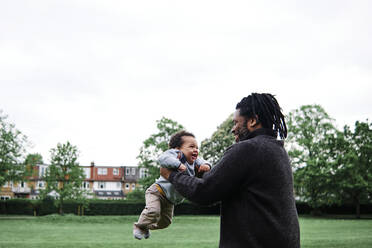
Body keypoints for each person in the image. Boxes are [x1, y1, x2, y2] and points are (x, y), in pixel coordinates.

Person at [160, 93, 300, 248]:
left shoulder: (247, 149)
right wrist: (206, 173)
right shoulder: (277, 150)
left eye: (236, 123)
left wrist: (172, 175)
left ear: (253, 120)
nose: (233, 129)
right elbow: (226, 184)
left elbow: (204, 191)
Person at [133, 130, 211, 240]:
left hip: (170, 201)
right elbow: (163, 159)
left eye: (197, 148)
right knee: (153, 211)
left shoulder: (194, 161)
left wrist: (206, 165)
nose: (195, 150)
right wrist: (178, 164)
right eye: (191, 146)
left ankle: (146, 227)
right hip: (157, 192)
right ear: (177, 149)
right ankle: (138, 226)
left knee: (165, 223)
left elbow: (204, 162)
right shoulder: (177, 155)